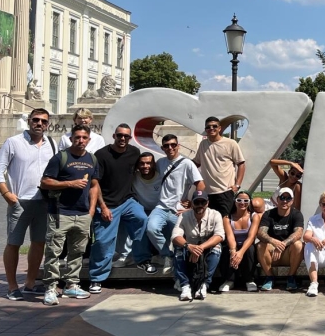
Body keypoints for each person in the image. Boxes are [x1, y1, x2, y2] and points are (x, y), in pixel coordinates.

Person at [0, 108, 56, 300]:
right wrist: (7, 194)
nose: (39, 124)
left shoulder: (51, 144)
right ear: (29, 121)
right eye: (36, 120)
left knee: (39, 243)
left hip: (43, 201)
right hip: (20, 201)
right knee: (14, 243)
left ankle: (29, 283)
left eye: (44, 121)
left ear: (48, 124)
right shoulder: (14, 143)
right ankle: (12, 287)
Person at [39, 124, 100, 306]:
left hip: (82, 214)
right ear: (71, 138)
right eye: (77, 137)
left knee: (77, 252)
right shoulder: (61, 157)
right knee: (54, 251)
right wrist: (70, 184)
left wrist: (91, 211)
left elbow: (95, 185)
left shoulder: (92, 159)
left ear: (89, 139)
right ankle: (50, 288)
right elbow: (45, 182)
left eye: (84, 138)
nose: (80, 141)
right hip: (60, 212)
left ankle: (71, 285)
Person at [88, 124, 147, 294]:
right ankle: (97, 278)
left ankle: (141, 258)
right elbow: (95, 183)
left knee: (142, 219)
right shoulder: (102, 155)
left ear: (130, 138)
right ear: (114, 136)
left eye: (126, 136)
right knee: (103, 242)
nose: (122, 139)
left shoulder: (134, 153)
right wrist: (103, 207)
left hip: (127, 201)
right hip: (108, 204)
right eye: (119, 135)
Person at [141, 134, 205, 274]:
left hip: (178, 209)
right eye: (166, 145)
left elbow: (200, 184)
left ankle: (180, 273)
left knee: (179, 239)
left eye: (173, 145)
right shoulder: (160, 163)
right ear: (162, 148)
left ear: (178, 146)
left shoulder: (187, 163)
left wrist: (193, 205)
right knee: (151, 229)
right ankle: (167, 255)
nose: (170, 148)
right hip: (161, 206)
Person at [171, 192, 225, 301]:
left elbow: (219, 236)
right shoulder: (184, 216)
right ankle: (185, 285)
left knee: (217, 247)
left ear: (207, 203)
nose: (200, 205)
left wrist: (200, 248)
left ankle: (204, 284)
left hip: (206, 249)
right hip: (189, 249)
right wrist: (188, 246)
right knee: (178, 248)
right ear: (192, 204)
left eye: (203, 202)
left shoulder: (215, 214)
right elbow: (175, 236)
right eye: (197, 202)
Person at [193, 116, 246, 218]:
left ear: (219, 128)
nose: (211, 128)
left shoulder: (230, 143)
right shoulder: (203, 144)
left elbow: (241, 164)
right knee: (210, 222)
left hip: (225, 191)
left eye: (214, 126)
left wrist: (237, 185)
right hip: (207, 192)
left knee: (225, 221)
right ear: (205, 130)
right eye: (208, 127)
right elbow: (196, 162)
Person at [256, 188, 305, 291]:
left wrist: (282, 244)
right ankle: (269, 277)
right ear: (277, 199)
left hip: (287, 253)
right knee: (260, 245)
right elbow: (260, 233)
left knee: (298, 245)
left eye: (288, 198)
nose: (285, 201)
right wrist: (273, 242)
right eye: (282, 198)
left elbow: (298, 233)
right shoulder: (268, 214)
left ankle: (291, 278)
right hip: (272, 253)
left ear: (292, 201)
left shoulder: (296, 214)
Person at [218, 191, 259, 293]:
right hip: (233, 244)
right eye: (239, 200)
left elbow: (251, 237)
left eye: (246, 200)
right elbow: (230, 236)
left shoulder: (254, 216)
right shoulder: (227, 218)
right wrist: (233, 251)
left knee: (250, 249)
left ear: (249, 202)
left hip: (247, 245)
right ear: (235, 202)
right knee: (227, 249)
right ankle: (229, 280)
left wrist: (240, 253)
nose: (242, 203)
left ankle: (249, 280)